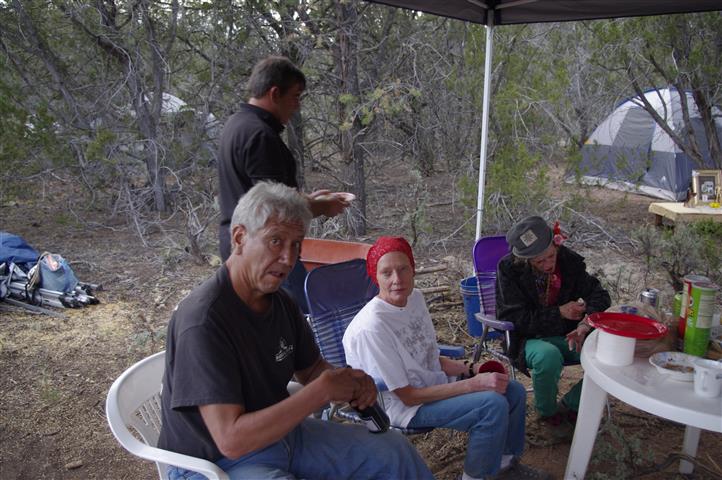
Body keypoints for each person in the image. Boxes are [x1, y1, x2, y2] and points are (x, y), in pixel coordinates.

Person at [158, 183, 433, 480]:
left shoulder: (280, 302)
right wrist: (321, 391)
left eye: (296, 244)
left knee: (393, 450)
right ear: (239, 238)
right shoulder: (204, 320)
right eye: (275, 241)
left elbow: (312, 368)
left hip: (281, 435)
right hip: (214, 462)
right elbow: (231, 439)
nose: (289, 259)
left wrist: (349, 382)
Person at [343, 236, 551, 480]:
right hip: (403, 407)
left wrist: (473, 368)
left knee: (512, 390)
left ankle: (506, 465)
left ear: (413, 268)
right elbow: (407, 396)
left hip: (430, 386)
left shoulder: (415, 298)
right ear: (375, 276)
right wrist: (473, 384)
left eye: (403, 269)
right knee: (491, 405)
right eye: (386, 273)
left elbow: (429, 356)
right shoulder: (372, 327)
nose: (397, 280)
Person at [217, 55, 348, 311]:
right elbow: (277, 212)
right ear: (275, 93)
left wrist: (308, 199)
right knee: (300, 317)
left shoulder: (237, 125)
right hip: (266, 251)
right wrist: (322, 207)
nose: (297, 106)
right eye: (295, 96)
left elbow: (266, 195)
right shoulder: (260, 136)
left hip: (244, 246)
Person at [496, 216, 611, 428]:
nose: (548, 264)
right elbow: (514, 318)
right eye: (539, 261)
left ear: (556, 245)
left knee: (610, 356)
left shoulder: (568, 262)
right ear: (525, 260)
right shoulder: (509, 270)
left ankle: (573, 404)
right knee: (547, 356)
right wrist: (559, 312)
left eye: (551, 256)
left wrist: (586, 323)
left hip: (567, 334)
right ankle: (548, 414)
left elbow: (600, 296)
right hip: (527, 339)